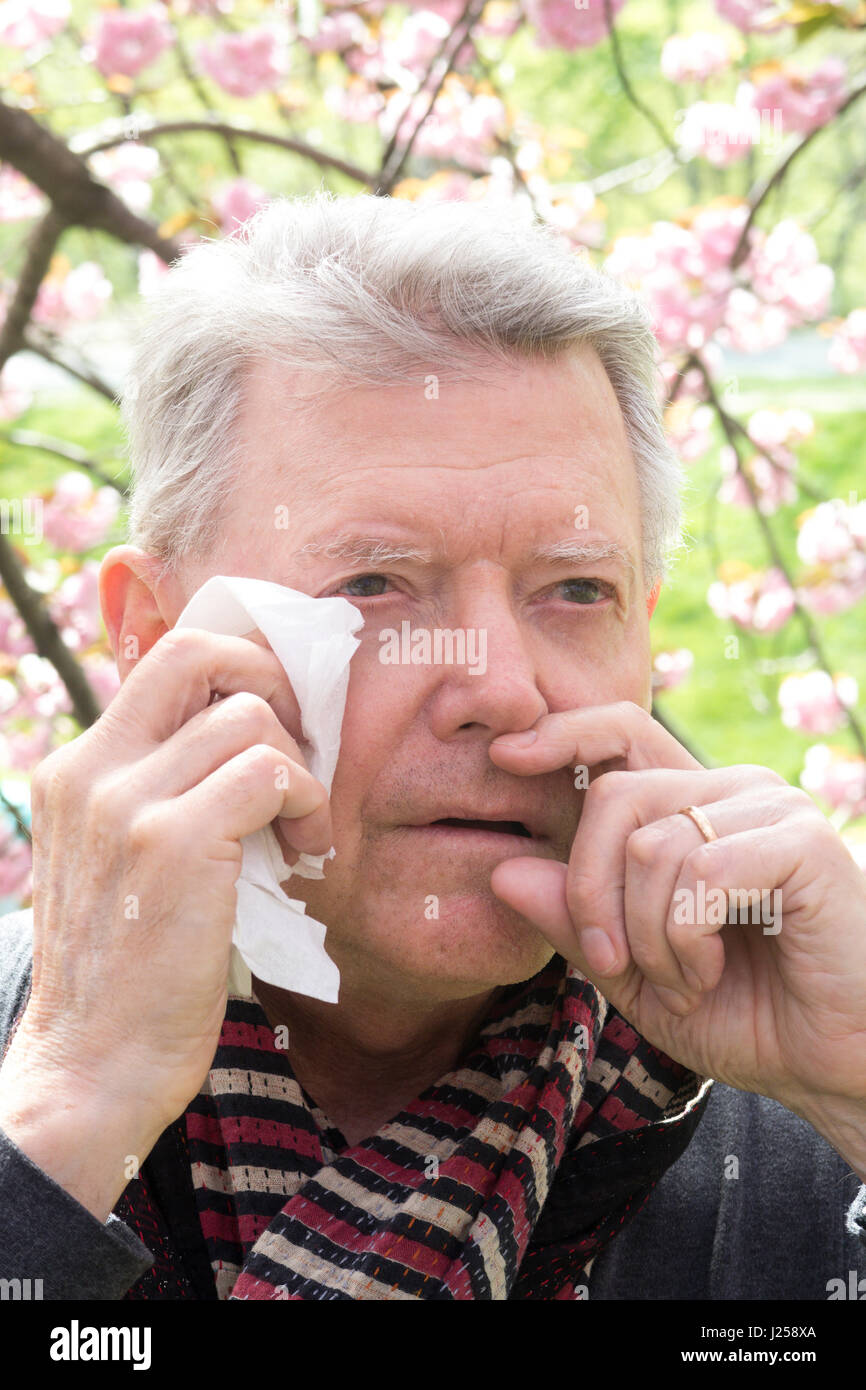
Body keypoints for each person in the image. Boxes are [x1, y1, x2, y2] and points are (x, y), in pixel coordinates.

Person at [1, 191, 864, 1301]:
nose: (500, 687)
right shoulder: (39, 1080)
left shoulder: (797, 1120)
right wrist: (67, 1114)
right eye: (372, 585)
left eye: (573, 589)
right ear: (155, 638)